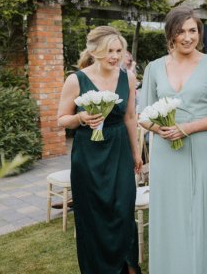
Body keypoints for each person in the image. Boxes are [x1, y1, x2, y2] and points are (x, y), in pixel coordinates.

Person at [139, 6, 207, 273]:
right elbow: (143, 114)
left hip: (205, 150)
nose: (187, 37)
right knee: (171, 214)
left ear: (200, 33)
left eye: (192, 30)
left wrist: (188, 128)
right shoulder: (154, 68)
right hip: (166, 152)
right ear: (170, 33)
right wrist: (159, 129)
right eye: (180, 31)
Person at [57, 26, 142, 274]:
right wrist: (81, 117)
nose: (115, 56)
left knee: (123, 211)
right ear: (94, 51)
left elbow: (129, 117)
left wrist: (136, 153)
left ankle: (127, 268)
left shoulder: (128, 77)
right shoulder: (76, 79)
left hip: (119, 151)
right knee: (93, 216)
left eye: (118, 50)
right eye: (109, 51)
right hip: (88, 155)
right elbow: (61, 118)